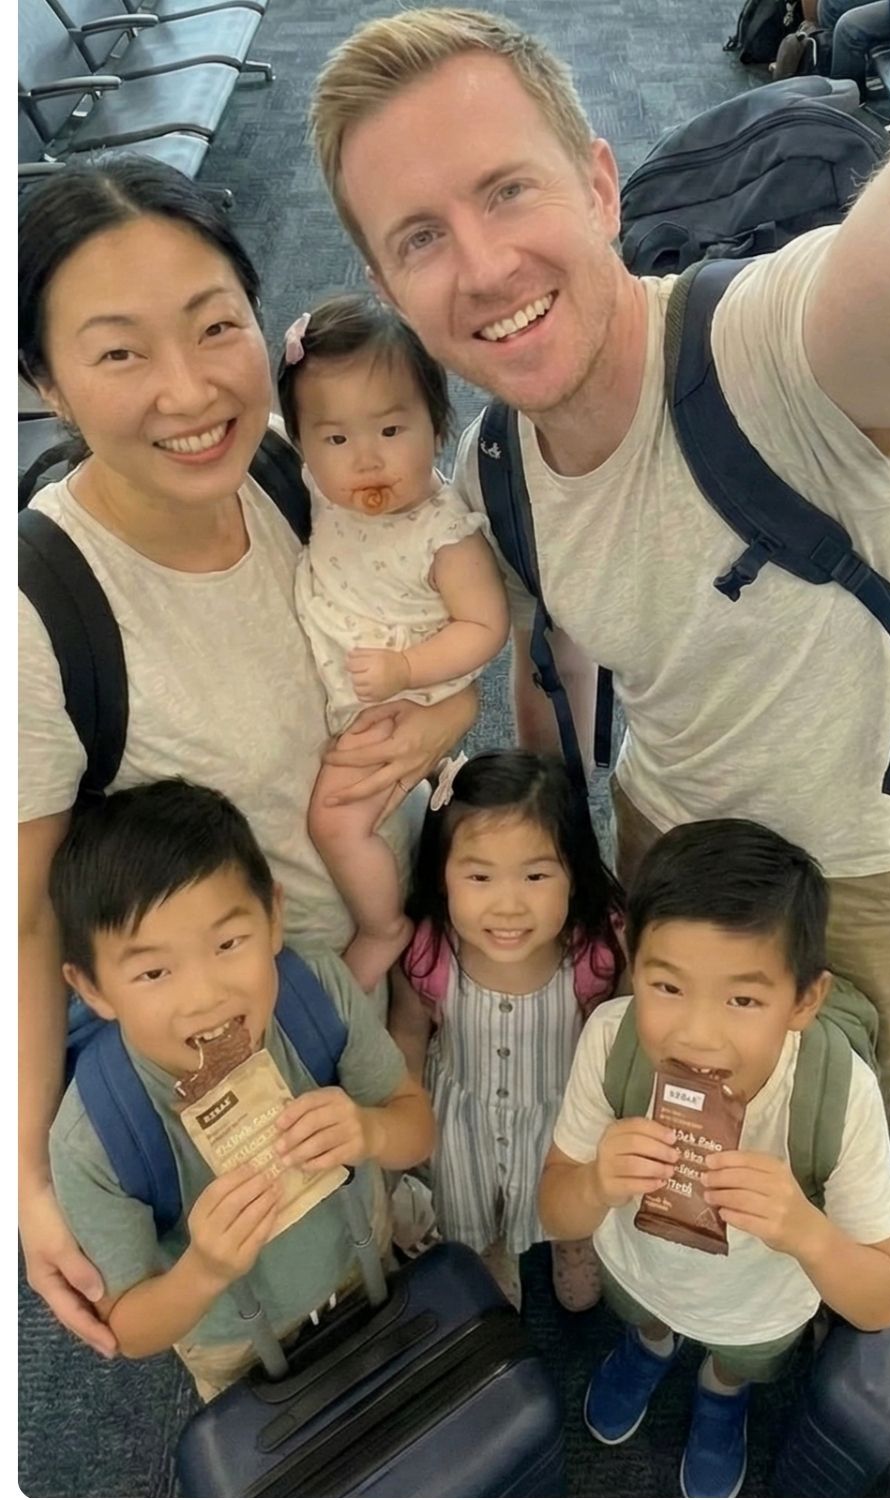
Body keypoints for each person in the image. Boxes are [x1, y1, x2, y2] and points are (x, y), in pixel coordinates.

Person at [308, 2, 890, 1135]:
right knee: (670, 1128)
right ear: (389, 288)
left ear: (598, 186)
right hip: (661, 834)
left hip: (849, 872)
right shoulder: (494, 470)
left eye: (506, 190)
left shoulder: (779, 353)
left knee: (831, 1150)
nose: (481, 268)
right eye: (419, 237)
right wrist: (558, 840)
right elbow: (554, 654)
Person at [18, 158, 475, 1359]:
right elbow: (28, 923)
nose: (186, 390)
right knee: (279, 1286)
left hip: (379, 915)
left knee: (399, 1156)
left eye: (212, 326)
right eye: (118, 352)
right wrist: (27, 1179)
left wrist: (438, 725)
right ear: (42, 384)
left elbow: (409, 622)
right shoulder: (43, 612)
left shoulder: (286, 459)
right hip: (247, 1007)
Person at [538, 819, 890, 1500]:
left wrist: (805, 1230)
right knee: (643, 1317)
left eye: (743, 999)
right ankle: (648, 1347)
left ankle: (721, 1393)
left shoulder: (838, 1093)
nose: (697, 1035)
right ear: (631, 958)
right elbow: (555, 1207)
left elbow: (882, 1301)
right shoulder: (610, 1041)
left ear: (804, 1001)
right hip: (638, 1271)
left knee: (742, 1362)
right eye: (667, 987)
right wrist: (594, 1182)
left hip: (759, 1313)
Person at [46, 779, 436, 1401]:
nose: (205, 997)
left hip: (366, 1254)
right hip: (233, 1346)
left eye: (228, 943)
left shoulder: (318, 995)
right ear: (92, 989)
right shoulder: (93, 1135)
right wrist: (203, 1271)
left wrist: (370, 1130)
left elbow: (415, 1127)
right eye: (153, 971)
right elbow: (130, 1327)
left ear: (274, 917)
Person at [275, 293, 508, 991]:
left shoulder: (442, 532)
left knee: (336, 821)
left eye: (391, 429)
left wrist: (408, 666)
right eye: (336, 440)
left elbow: (485, 627)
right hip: (348, 686)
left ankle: (383, 927)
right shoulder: (321, 490)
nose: (366, 460)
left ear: (436, 426)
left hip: (392, 700)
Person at [389, 749, 626, 1311]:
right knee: (470, 1208)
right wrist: (407, 1109)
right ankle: (490, 1256)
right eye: (479, 876)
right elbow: (408, 1034)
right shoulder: (429, 950)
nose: (509, 904)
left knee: (559, 1194)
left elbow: (618, 1039)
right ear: (443, 877)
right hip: (461, 1121)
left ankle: (572, 1241)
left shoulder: (594, 951)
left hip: (558, 1119)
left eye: (537, 874)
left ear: (575, 870)